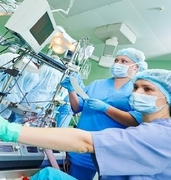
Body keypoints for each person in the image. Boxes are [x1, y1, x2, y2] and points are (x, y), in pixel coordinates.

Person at [0, 69, 171, 179]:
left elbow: (84, 141)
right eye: (136, 87)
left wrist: (8, 129)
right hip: (92, 155)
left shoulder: (167, 136)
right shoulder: (150, 129)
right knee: (49, 175)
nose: (138, 93)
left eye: (148, 89)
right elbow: (77, 110)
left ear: (169, 99)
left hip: (88, 149)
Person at [60, 48, 147, 180]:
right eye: (116, 60)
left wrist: (106, 108)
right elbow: (77, 108)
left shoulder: (137, 90)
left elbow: (135, 120)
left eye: (124, 61)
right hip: (84, 144)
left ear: (136, 67)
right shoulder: (97, 84)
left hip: (112, 150)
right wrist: (71, 91)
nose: (118, 64)